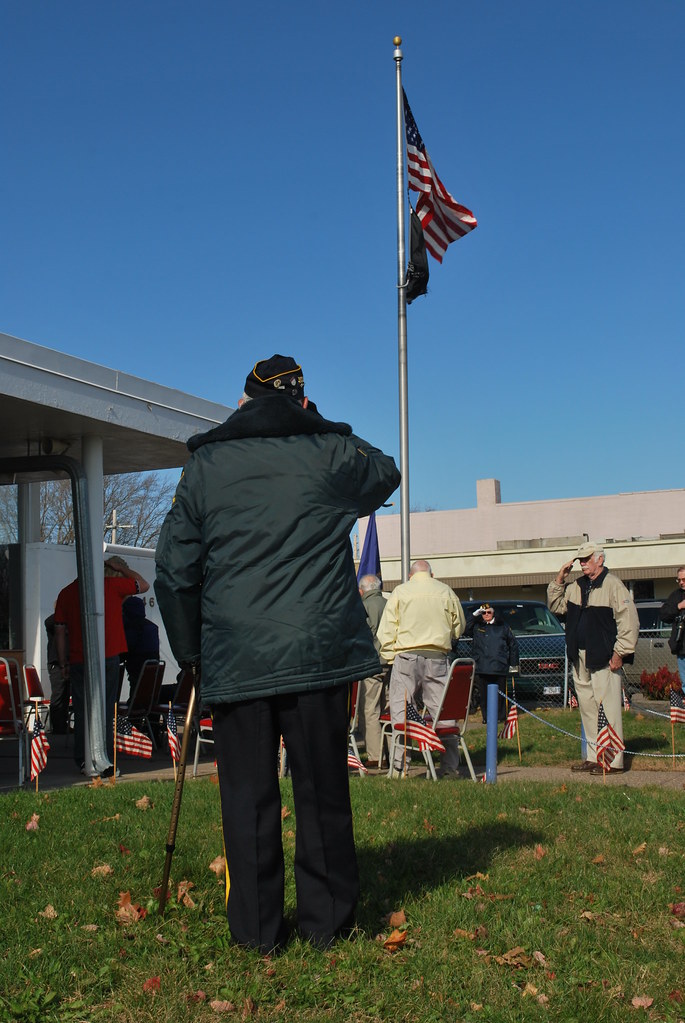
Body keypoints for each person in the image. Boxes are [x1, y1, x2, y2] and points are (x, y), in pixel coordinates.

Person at [154, 354, 399, 953]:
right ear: (301, 401)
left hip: (237, 656)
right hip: (316, 653)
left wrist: (190, 654)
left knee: (247, 796)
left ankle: (258, 932)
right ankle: (326, 926)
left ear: (243, 402)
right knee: (320, 791)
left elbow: (173, 570)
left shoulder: (207, 463)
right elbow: (384, 471)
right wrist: (321, 423)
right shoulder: (329, 452)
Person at [547, 542, 639, 775]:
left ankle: (613, 760)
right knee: (587, 709)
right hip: (579, 657)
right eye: (580, 560)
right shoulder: (576, 586)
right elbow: (556, 607)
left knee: (608, 709)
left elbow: (629, 622)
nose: (582, 563)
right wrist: (559, 580)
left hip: (605, 657)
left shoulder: (613, 585)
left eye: (587, 558)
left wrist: (620, 653)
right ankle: (593, 755)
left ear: (600, 559)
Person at [54, 556, 150, 772]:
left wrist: (62, 663)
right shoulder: (110, 586)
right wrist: (121, 569)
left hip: (79, 659)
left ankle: (83, 758)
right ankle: (103, 758)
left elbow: (59, 630)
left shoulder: (66, 593)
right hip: (108, 656)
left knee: (82, 710)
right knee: (105, 710)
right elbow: (143, 584)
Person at [377, 559, 466, 778]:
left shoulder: (400, 592)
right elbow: (459, 626)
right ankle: (449, 767)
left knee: (401, 710)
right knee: (443, 712)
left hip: (406, 655)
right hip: (437, 655)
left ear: (410, 575)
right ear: (431, 575)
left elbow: (387, 629)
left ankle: (400, 767)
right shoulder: (446, 591)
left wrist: (389, 657)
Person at [463, 603, 519, 724]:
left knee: (500, 694)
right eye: (484, 613)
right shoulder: (477, 626)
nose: (486, 615)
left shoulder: (502, 626)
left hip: (499, 665)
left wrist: (513, 664)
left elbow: (513, 645)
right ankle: (486, 717)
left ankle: (500, 716)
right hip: (482, 666)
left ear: (493, 613)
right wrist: (473, 615)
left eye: (489, 612)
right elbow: (465, 629)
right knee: (484, 695)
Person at [357, 574, 389, 769]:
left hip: (372, 662)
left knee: (370, 710)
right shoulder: (389, 603)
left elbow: (363, 633)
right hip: (391, 662)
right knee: (388, 709)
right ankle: (391, 752)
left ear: (362, 590)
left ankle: (376, 756)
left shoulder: (365, 607)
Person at [659, 566, 685, 689]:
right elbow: (664, 615)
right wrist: (679, 606)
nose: (681, 582)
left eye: (684, 579)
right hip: (681, 649)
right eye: (679, 580)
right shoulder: (675, 596)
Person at [45, 610, 70, 733]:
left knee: (65, 695)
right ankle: (58, 727)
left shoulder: (67, 626)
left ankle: (63, 724)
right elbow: (48, 622)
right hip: (56, 663)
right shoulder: (52, 624)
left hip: (68, 662)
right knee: (58, 696)